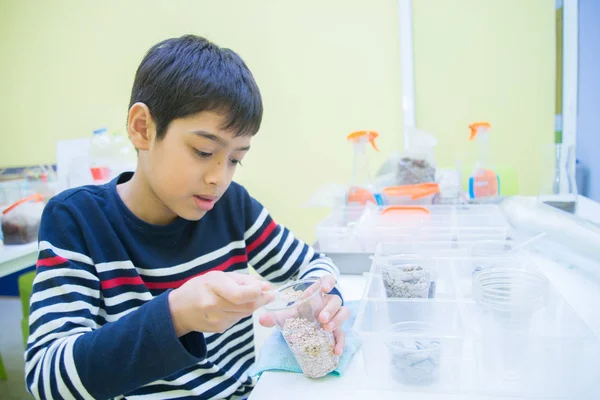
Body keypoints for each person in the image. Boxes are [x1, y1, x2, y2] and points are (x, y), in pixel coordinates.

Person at [24, 34, 349, 400]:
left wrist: (324, 302)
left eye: (235, 159)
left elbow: (314, 267)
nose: (219, 178)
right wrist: (175, 315)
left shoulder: (232, 207)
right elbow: (47, 380)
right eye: (203, 150)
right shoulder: (78, 221)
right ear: (143, 128)